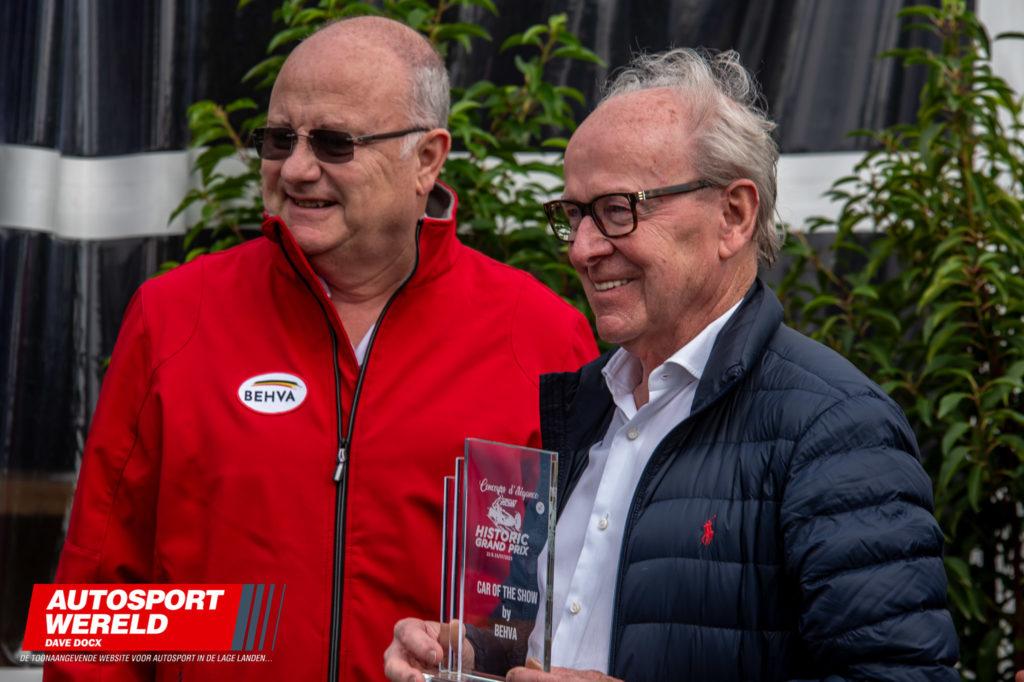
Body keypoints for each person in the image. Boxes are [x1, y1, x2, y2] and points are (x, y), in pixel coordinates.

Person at [47, 16, 596, 682]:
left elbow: (579, 605)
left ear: (426, 159)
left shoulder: (541, 337)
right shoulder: (173, 317)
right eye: (279, 139)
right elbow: (100, 600)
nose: (297, 169)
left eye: (335, 143)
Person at [384, 48, 960, 681]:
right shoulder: (582, 409)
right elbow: (567, 631)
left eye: (617, 210)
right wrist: (473, 655)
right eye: (573, 215)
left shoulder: (835, 429)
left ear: (734, 216)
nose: (582, 249)